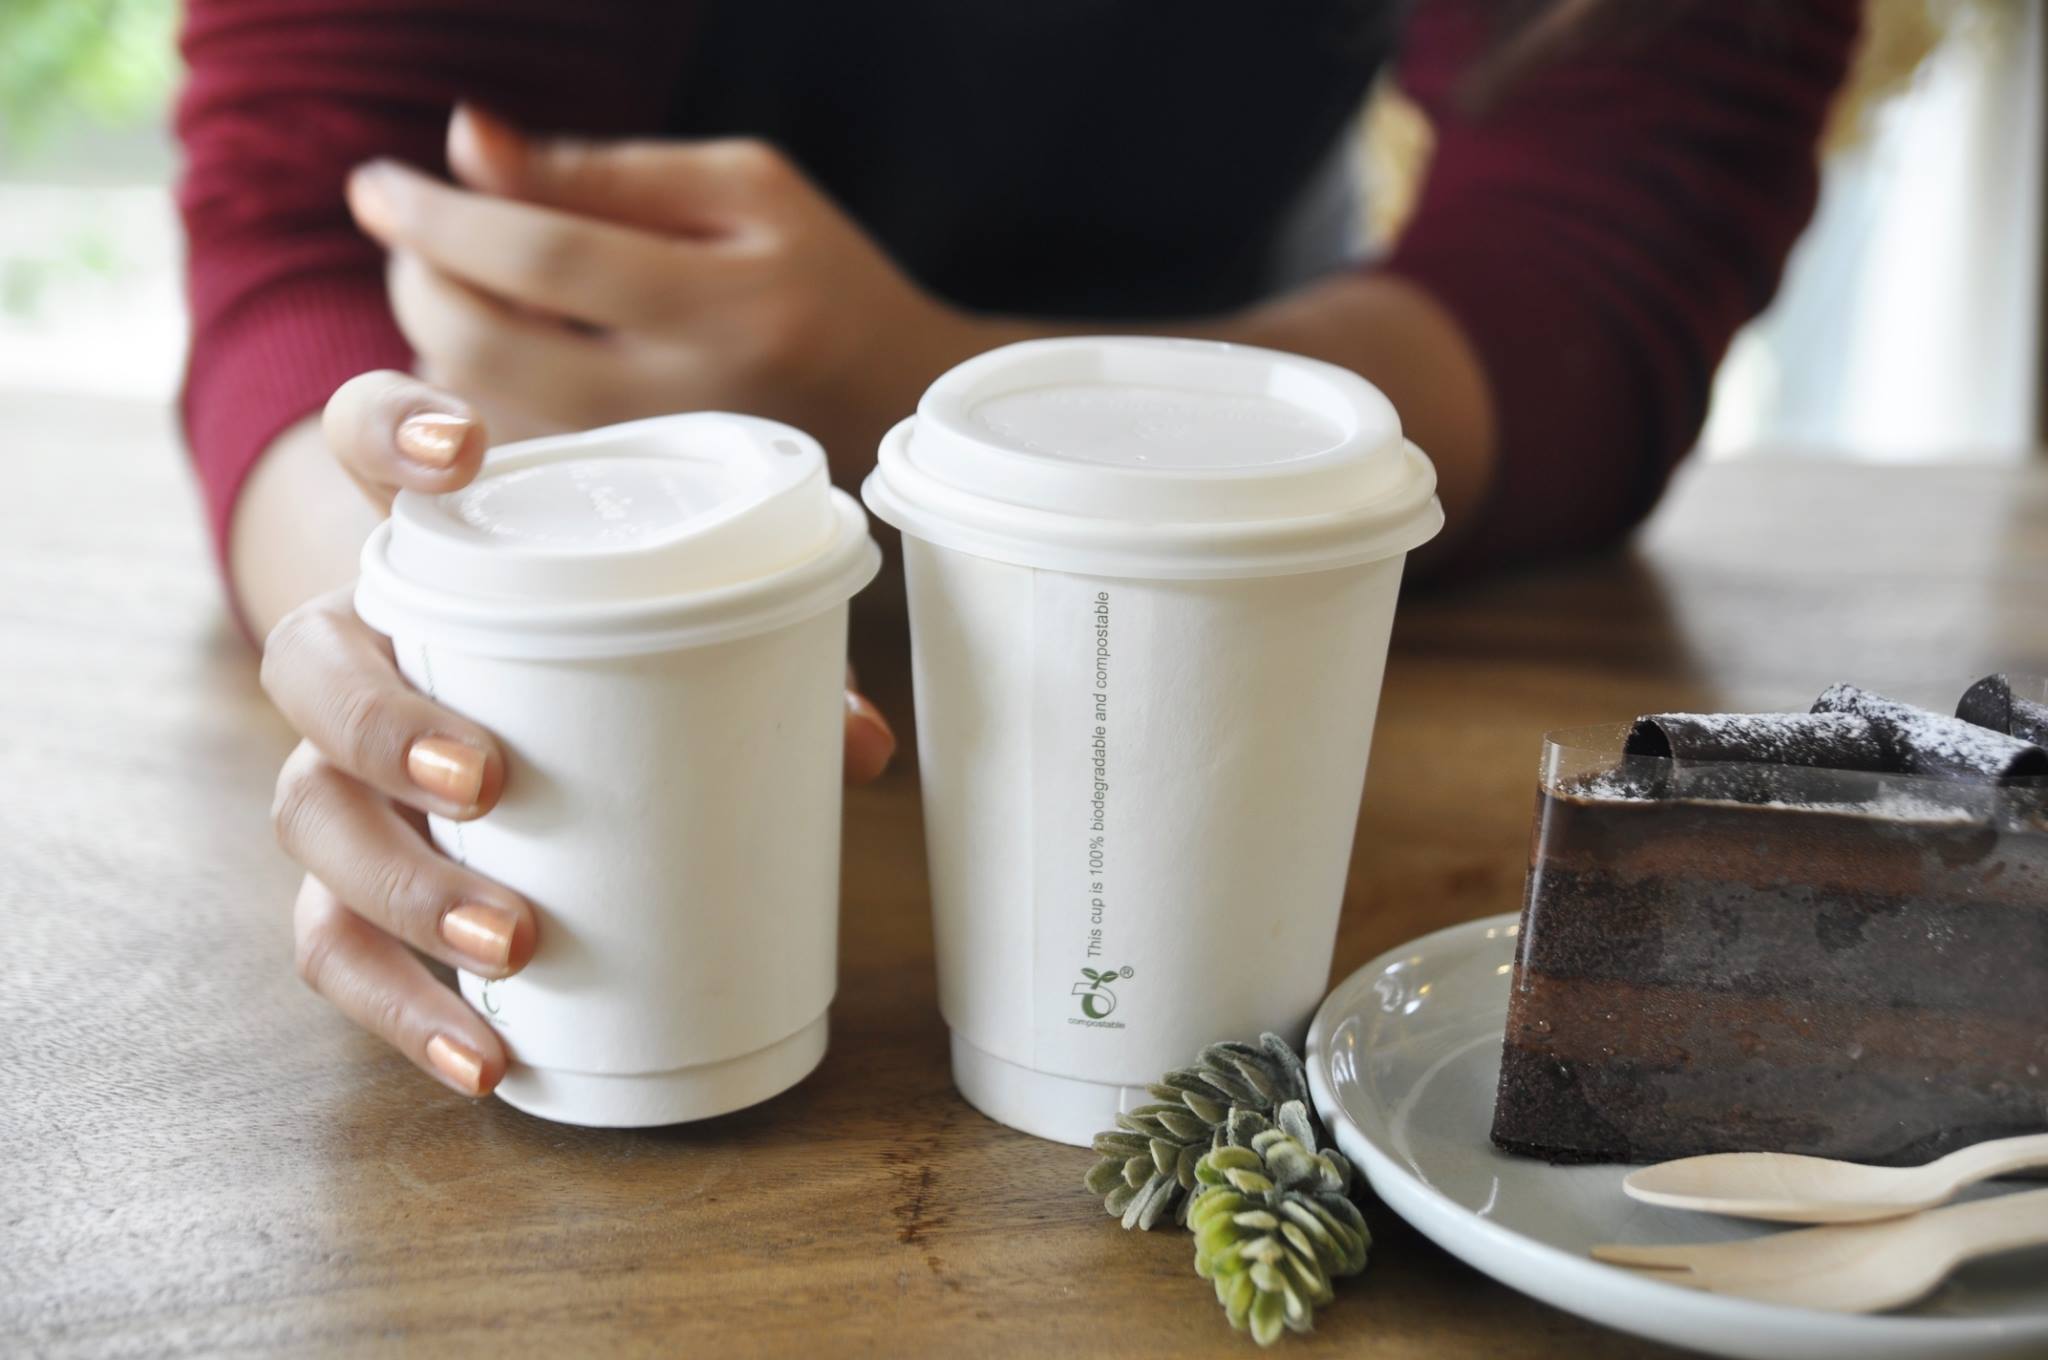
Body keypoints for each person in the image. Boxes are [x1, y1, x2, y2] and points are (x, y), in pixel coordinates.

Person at [176, 0, 1860, 1098]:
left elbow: (1611, 232)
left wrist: (931, 400)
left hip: (1261, 406)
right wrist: (420, 600)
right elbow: (308, 212)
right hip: (581, 433)